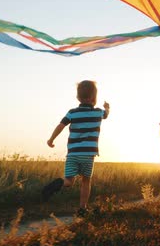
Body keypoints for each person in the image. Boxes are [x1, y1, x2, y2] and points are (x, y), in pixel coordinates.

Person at [41, 80, 110, 216]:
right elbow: (106, 115)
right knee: (86, 181)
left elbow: (61, 125)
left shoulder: (72, 112)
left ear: (78, 97)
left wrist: (51, 139)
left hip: (73, 153)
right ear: (94, 98)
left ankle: (60, 183)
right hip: (88, 154)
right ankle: (82, 208)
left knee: (69, 181)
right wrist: (107, 107)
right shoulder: (98, 113)